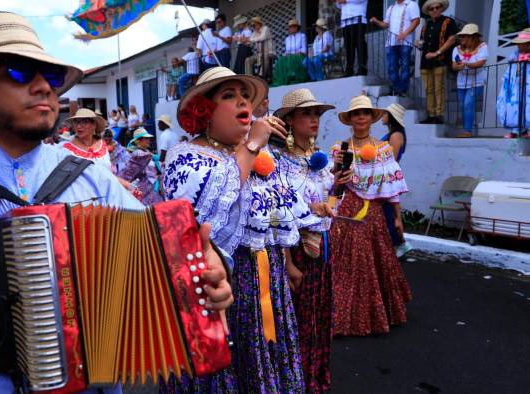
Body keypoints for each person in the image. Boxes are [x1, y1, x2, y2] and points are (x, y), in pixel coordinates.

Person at [0, 12, 234, 393]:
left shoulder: (92, 177)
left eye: (52, 77)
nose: (44, 87)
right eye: (21, 72)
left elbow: (170, 259)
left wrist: (210, 272)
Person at [162, 67, 306, 393]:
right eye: (229, 95)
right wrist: (252, 144)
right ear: (205, 111)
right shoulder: (186, 156)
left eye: (245, 96)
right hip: (218, 284)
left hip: (267, 279)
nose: (242, 101)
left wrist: (287, 260)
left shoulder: (259, 154)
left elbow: (275, 217)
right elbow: (203, 221)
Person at [271, 88, 340, 393]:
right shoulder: (278, 162)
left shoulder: (319, 157)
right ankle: (295, 381)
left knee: (319, 316)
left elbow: (330, 199)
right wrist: (287, 263)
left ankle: (315, 376)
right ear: (289, 120)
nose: (314, 120)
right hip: (297, 249)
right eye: (306, 114)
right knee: (297, 319)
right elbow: (278, 212)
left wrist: (338, 191)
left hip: (323, 246)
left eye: (317, 114)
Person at [329, 94, 411, 336]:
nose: (361, 117)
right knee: (350, 263)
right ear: (350, 119)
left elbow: (391, 189)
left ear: (372, 118)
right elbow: (333, 181)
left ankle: (375, 314)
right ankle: (347, 316)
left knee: (375, 261)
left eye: (365, 113)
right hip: (348, 211)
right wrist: (337, 170)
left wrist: (398, 218)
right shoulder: (340, 148)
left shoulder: (384, 149)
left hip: (374, 213)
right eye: (356, 113)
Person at [381, 104, 413, 258]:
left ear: (391, 117)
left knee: (390, 211)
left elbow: (390, 160)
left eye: (385, 114)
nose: (382, 116)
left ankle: (399, 243)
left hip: (387, 177)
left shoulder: (395, 135)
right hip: (385, 176)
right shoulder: (395, 134)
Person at [418, 0, 458, 124]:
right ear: (428, 12)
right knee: (429, 89)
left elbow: (452, 39)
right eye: (431, 8)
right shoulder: (426, 26)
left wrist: (437, 53)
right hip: (425, 62)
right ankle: (431, 114)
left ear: (441, 8)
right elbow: (422, 43)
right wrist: (419, 44)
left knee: (439, 88)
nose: (434, 10)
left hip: (440, 61)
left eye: (437, 7)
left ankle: (439, 115)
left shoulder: (449, 22)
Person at [371, 0, 421, 96]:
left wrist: (404, 34)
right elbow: (386, 24)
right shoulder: (391, 8)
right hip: (391, 42)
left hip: (405, 42)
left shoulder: (411, 4)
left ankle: (402, 90)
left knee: (405, 66)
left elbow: (416, 21)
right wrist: (376, 21)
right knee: (391, 67)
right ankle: (397, 89)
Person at [452, 23, 488, 137]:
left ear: (472, 37)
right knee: (463, 105)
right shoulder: (456, 49)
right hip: (461, 82)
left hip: (476, 82)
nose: (461, 38)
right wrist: (459, 66)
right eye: (461, 36)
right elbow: (453, 66)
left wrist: (466, 64)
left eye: (464, 36)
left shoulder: (483, 47)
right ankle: (466, 129)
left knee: (468, 103)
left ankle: (467, 131)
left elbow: (480, 63)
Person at [497, 27, 530, 138]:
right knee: (514, 107)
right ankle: (515, 131)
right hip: (515, 87)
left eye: (521, 43)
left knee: (528, 107)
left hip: (528, 88)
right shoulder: (514, 55)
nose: (519, 45)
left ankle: (526, 131)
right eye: (518, 43)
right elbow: (509, 71)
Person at [121, 128, 162, 205]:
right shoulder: (138, 154)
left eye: (149, 138)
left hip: (154, 186)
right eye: (146, 138)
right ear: (138, 141)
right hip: (147, 188)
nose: (149, 140)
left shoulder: (146, 151)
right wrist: (153, 156)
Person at [335, 0, 368, 76]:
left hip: (358, 19)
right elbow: (339, 6)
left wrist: (345, 0)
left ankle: (362, 69)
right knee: (349, 47)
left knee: (360, 44)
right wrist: (338, 2)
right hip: (346, 22)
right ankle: (349, 70)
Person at [272, 19, 309, 87]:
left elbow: (304, 49)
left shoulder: (302, 36)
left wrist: (298, 52)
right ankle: (281, 80)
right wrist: (286, 54)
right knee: (281, 60)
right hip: (290, 56)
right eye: (290, 27)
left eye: (292, 27)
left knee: (291, 59)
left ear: (296, 27)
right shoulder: (287, 39)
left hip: (299, 56)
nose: (291, 28)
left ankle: (292, 78)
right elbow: (287, 51)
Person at [245, 16, 275, 81]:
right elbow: (249, 42)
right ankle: (249, 79)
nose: (253, 27)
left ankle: (261, 76)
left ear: (259, 24)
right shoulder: (254, 32)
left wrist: (250, 40)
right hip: (259, 54)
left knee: (265, 56)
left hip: (269, 52)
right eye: (252, 26)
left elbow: (262, 38)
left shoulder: (265, 28)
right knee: (248, 60)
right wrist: (243, 40)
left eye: (254, 25)